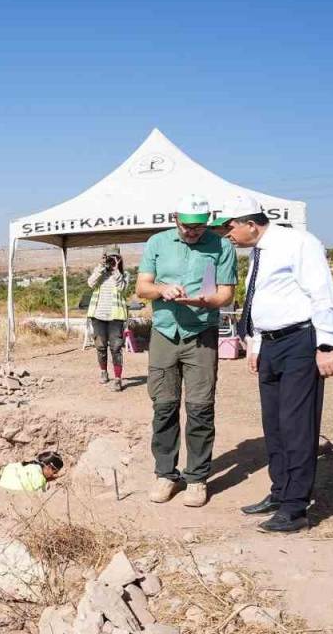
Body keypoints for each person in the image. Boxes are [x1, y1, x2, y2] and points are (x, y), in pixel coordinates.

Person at [212, 195, 333, 533]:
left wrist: (326, 343)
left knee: (297, 424)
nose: (226, 234)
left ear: (251, 224)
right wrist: (254, 344)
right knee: (275, 425)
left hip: (300, 342)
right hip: (270, 346)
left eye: (229, 227)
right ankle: (280, 491)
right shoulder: (259, 252)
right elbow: (261, 299)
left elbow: (322, 293)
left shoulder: (298, 243)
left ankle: (295, 508)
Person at [135, 194, 237, 508]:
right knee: (164, 407)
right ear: (175, 217)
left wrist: (204, 301)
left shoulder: (223, 247)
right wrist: (162, 291)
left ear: (208, 221)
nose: (193, 232)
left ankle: (197, 478)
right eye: (187, 226)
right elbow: (142, 288)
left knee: (200, 408)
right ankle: (166, 474)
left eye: (199, 226)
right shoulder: (157, 243)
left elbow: (226, 294)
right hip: (165, 331)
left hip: (201, 334)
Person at [87, 244, 131, 392]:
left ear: (119, 258)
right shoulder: (99, 273)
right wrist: (100, 267)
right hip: (98, 315)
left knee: (116, 347)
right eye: (109, 257)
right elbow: (90, 283)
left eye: (115, 257)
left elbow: (123, 289)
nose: (112, 260)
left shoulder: (124, 275)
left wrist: (116, 271)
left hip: (115, 317)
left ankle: (118, 379)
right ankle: (103, 372)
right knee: (100, 346)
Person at [0, 451, 64, 492]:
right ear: (49, 467)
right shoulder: (40, 479)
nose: (52, 475)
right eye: (54, 472)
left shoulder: (14, 466)